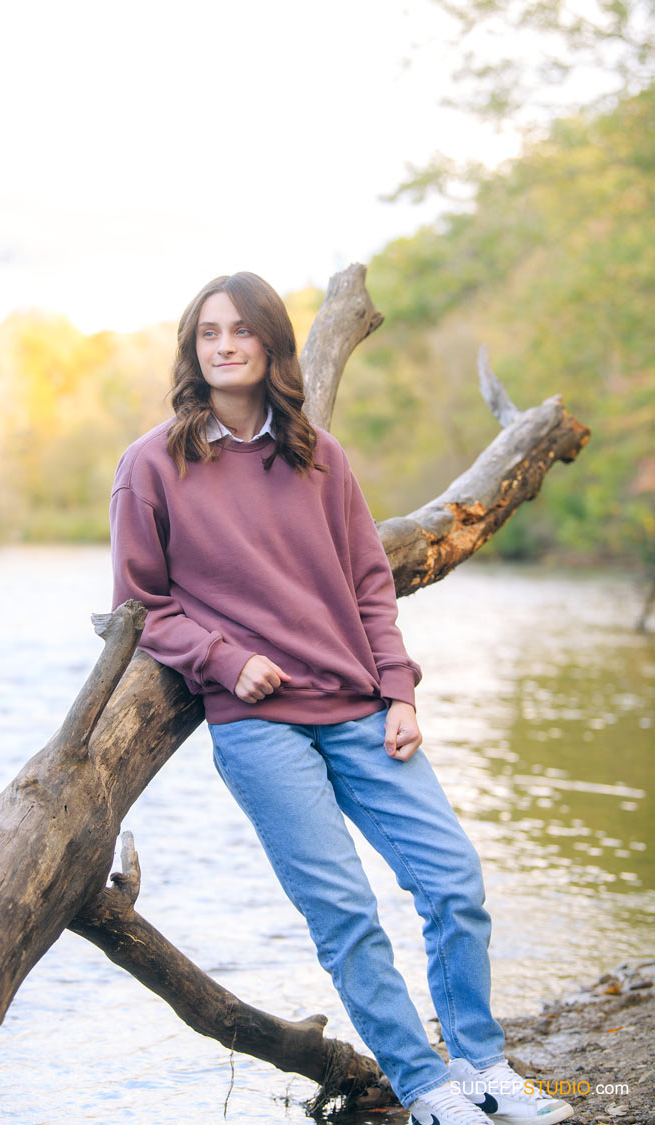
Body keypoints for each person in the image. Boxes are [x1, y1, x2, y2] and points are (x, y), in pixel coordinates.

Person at [109, 272, 573, 1125]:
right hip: (260, 730)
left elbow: (369, 586)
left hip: (362, 711)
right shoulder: (153, 464)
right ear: (192, 348)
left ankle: (481, 1066)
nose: (222, 345)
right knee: (347, 914)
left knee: (454, 880)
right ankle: (426, 1086)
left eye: (240, 331)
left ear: (271, 346)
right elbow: (139, 607)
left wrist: (397, 690)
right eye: (207, 332)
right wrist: (220, 656)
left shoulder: (320, 456)